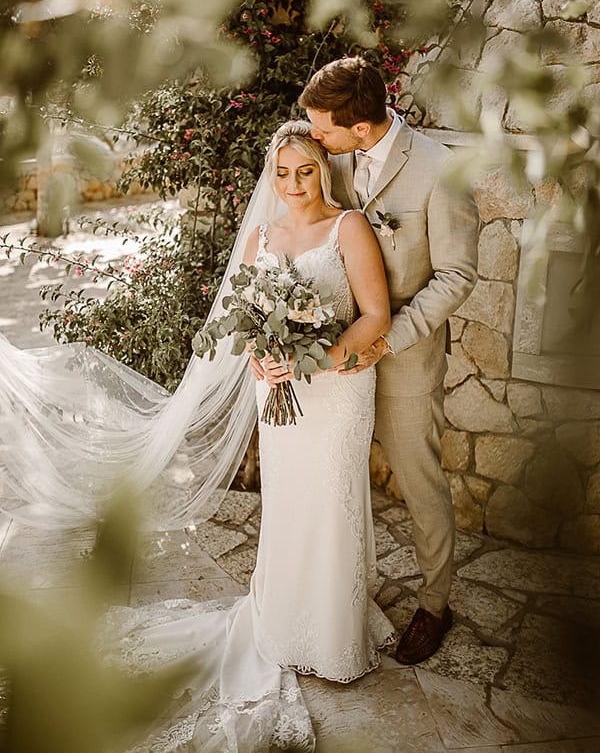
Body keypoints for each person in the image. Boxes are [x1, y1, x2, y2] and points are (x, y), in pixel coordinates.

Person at [0, 120, 397, 751]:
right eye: (283, 172)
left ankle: (334, 634)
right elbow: (239, 319)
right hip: (277, 390)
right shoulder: (263, 236)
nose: (293, 184)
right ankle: (286, 623)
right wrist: (264, 357)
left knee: (336, 501)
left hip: (339, 389)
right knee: (290, 506)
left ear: (324, 169)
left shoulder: (348, 227)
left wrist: (313, 359)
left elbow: (375, 314)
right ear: (273, 175)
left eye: (305, 171)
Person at [296, 57, 479, 664]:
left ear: (361, 127)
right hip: (334, 353)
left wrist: (389, 337)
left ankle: (435, 605)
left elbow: (457, 275)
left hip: (404, 354)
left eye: (323, 128)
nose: (313, 138)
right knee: (335, 477)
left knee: (420, 482)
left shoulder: (440, 170)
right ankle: (339, 595)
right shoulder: (333, 157)